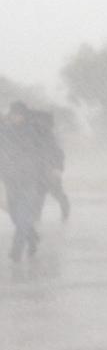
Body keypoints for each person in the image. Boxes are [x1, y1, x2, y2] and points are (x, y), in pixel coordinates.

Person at [0, 102, 63, 260]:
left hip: (31, 178)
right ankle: (32, 237)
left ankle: (17, 249)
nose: (16, 117)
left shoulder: (36, 131)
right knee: (14, 215)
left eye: (19, 114)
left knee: (23, 214)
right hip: (11, 179)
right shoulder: (5, 131)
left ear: (25, 115)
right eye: (14, 114)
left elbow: (54, 149)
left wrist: (56, 167)